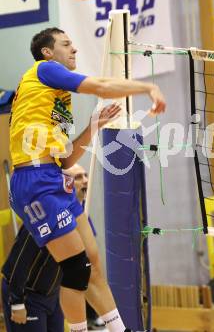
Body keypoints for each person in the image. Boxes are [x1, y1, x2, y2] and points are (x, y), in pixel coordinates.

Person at [8, 27, 166, 332]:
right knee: (76, 268)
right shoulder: (45, 70)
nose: (74, 49)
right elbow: (102, 86)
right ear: (48, 52)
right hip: (34, 180)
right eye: (66, 44)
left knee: (92, 264)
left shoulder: (57, 100)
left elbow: (66, 159)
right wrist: (146, 88)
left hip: (53, 174)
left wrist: (93, 126)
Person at [63, 164, 104, 330]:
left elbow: (90, 241)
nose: (86, 180)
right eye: (78, 177)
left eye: (85, 175)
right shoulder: (64, 212)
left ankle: (92, 316)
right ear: (67, 183)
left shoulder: (82, 210)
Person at [1, 225, 64, 332]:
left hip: (53, 293)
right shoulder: (39, 222)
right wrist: (17, 303)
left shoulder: (76, 218)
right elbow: (20, 263)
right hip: (27, 295)